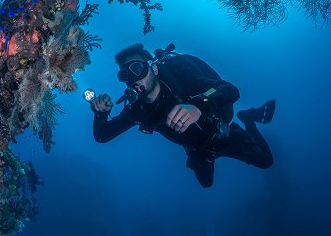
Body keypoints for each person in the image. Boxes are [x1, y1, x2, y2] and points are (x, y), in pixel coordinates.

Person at [90, 43, 275, 188]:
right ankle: (209, 154)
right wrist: (100, 114)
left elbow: (229, 90)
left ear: (153, 69)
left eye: (137, 68)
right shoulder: (138, 109)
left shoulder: (179, 76)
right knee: (206, 183)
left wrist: (199, 105)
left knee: (266, 161)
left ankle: (247, 119)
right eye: (124, 75)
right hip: (199, 151)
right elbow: (102, 135)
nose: (133, 79)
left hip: (223, 133)